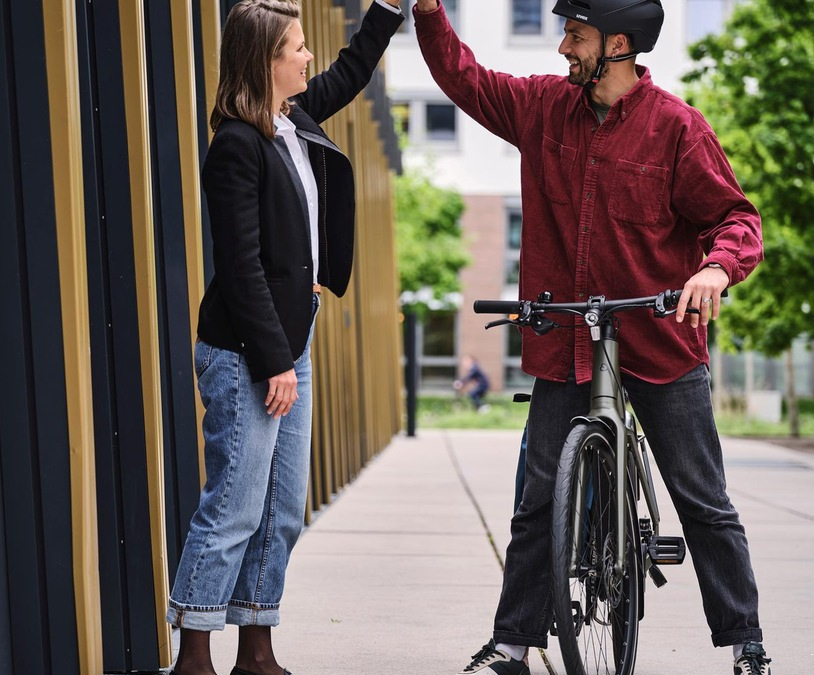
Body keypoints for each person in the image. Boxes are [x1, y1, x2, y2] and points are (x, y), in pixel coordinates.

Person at [410, 1, 772, 674]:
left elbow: (735, 217)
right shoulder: (543, 109)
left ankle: (745, 642)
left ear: (618, 45)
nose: (562, 50)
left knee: (703, 500)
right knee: (538, 495)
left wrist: (717, 269)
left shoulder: (678, 130)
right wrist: (429, 12)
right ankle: (511, 644)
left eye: (575, 36)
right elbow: (466, 79)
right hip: (569, 335)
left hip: (660, 342)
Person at [166, 1, 403, 674]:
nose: (307, 58)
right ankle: (195, 653)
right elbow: (239, 267)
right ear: (266, 61)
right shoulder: (236, 146)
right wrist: (275, 362)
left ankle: (258, 646)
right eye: (296, 48)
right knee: (235, 508)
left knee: (280, 510)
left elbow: (350, 71)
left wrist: (386, 11)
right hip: (248, 349)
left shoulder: (292, 120)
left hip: (287, 342)